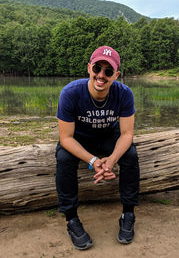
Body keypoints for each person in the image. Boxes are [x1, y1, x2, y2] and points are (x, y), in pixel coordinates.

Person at [55, 46, 140, 250]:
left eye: (108, 71)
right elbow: (66, 138)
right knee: (64, 158)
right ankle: (71, 219)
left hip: (108, 136)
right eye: (97, 68)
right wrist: (93, 161)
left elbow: (127, 134)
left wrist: (111, 161)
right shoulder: (70, 93)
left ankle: (128, 214)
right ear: (89, 69)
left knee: (130, 154)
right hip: (79, 137)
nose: (101, 75)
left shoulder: (124, 94)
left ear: (116, 75)